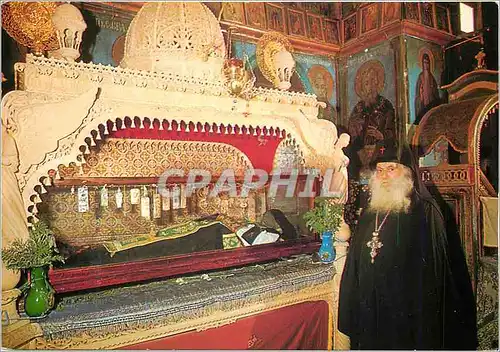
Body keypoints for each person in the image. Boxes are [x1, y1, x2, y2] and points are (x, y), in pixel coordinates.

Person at [338, 142, 478, 350]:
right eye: (380, 170)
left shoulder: (426, 212)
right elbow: (355, 263)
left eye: (391, 169)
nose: (383, 176)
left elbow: (435, 274)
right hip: (370, 305)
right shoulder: (370, 212)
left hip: (408, 311)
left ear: (407, 173)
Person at [348, 60, 396, 176]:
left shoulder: (386, 105)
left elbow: (393, 129)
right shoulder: (358, 108)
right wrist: (359, 149)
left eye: (373, 81)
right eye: (367, 83)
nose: (370, 86)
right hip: (360, 154)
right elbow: (352, 132)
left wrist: (381, 135)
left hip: (381, 153)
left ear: (378, 83)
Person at [415, 53, 440, 124]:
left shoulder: (432, 78)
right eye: (424, 62)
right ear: (422, 64)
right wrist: (421, 97)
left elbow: (436, 94)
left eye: (427, 63)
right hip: (423, 106)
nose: (426, 65)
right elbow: (417, 96)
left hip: (431, 105)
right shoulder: (420, 77)